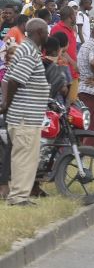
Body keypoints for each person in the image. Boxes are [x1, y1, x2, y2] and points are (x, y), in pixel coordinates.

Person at [0, 19, 50, 205]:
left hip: (25, 115)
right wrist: (7, 104)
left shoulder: (25, 49)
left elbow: (9, 79)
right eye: (46, 31)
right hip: (24, 117)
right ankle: (18, 198)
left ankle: (19, 195)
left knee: (24, 156)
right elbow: (14, 81)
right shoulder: (29, 52)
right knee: (24, 157)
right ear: (38, 32)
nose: (48, 34)